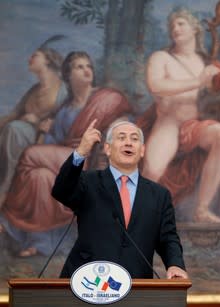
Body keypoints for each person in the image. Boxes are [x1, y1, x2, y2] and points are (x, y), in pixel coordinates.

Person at [0, 51, 132, 257]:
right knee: (39, 176)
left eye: (88, 66)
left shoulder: (105, 98)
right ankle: (40, 242)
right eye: (79, 67)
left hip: (86, 159)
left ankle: (8, 220)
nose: (86, 70)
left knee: (30, 155)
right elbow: (54, 143)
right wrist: (44, 132)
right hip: (63, 160)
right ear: (68, 75)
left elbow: (125, 121)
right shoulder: (64, 109)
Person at [137, 9, 220, 223]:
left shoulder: (207, 63)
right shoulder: (161, 58)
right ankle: (137, 218)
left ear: (195, 29)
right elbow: (156, 86)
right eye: (172, 26)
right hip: (169, 124)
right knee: (153, 170)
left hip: (195, 124)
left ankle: (202, 210)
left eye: (181, 23)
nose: (175, 28)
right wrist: (198, 81)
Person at [52, 120, 187, 279]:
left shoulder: (159, 194)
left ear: (142, 150)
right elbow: (61, 190)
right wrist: (81, 152)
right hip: (88, 282)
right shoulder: (87, 182)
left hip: (136, 284)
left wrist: (175, 264)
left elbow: (168, 237)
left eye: (134, 139)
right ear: (107, 149)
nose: (128, 143)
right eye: (121, 138)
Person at [0, 40, 67, 207]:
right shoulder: (34, 90)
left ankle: (5, 188)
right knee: (10, 129)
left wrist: (36, 123)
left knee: (13, 129)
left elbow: (63, 123)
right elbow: (15, 114)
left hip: (45, 140)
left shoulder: (62, 90)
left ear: (48, 61)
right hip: (18, 138)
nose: (30, 58)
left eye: (35, 55)